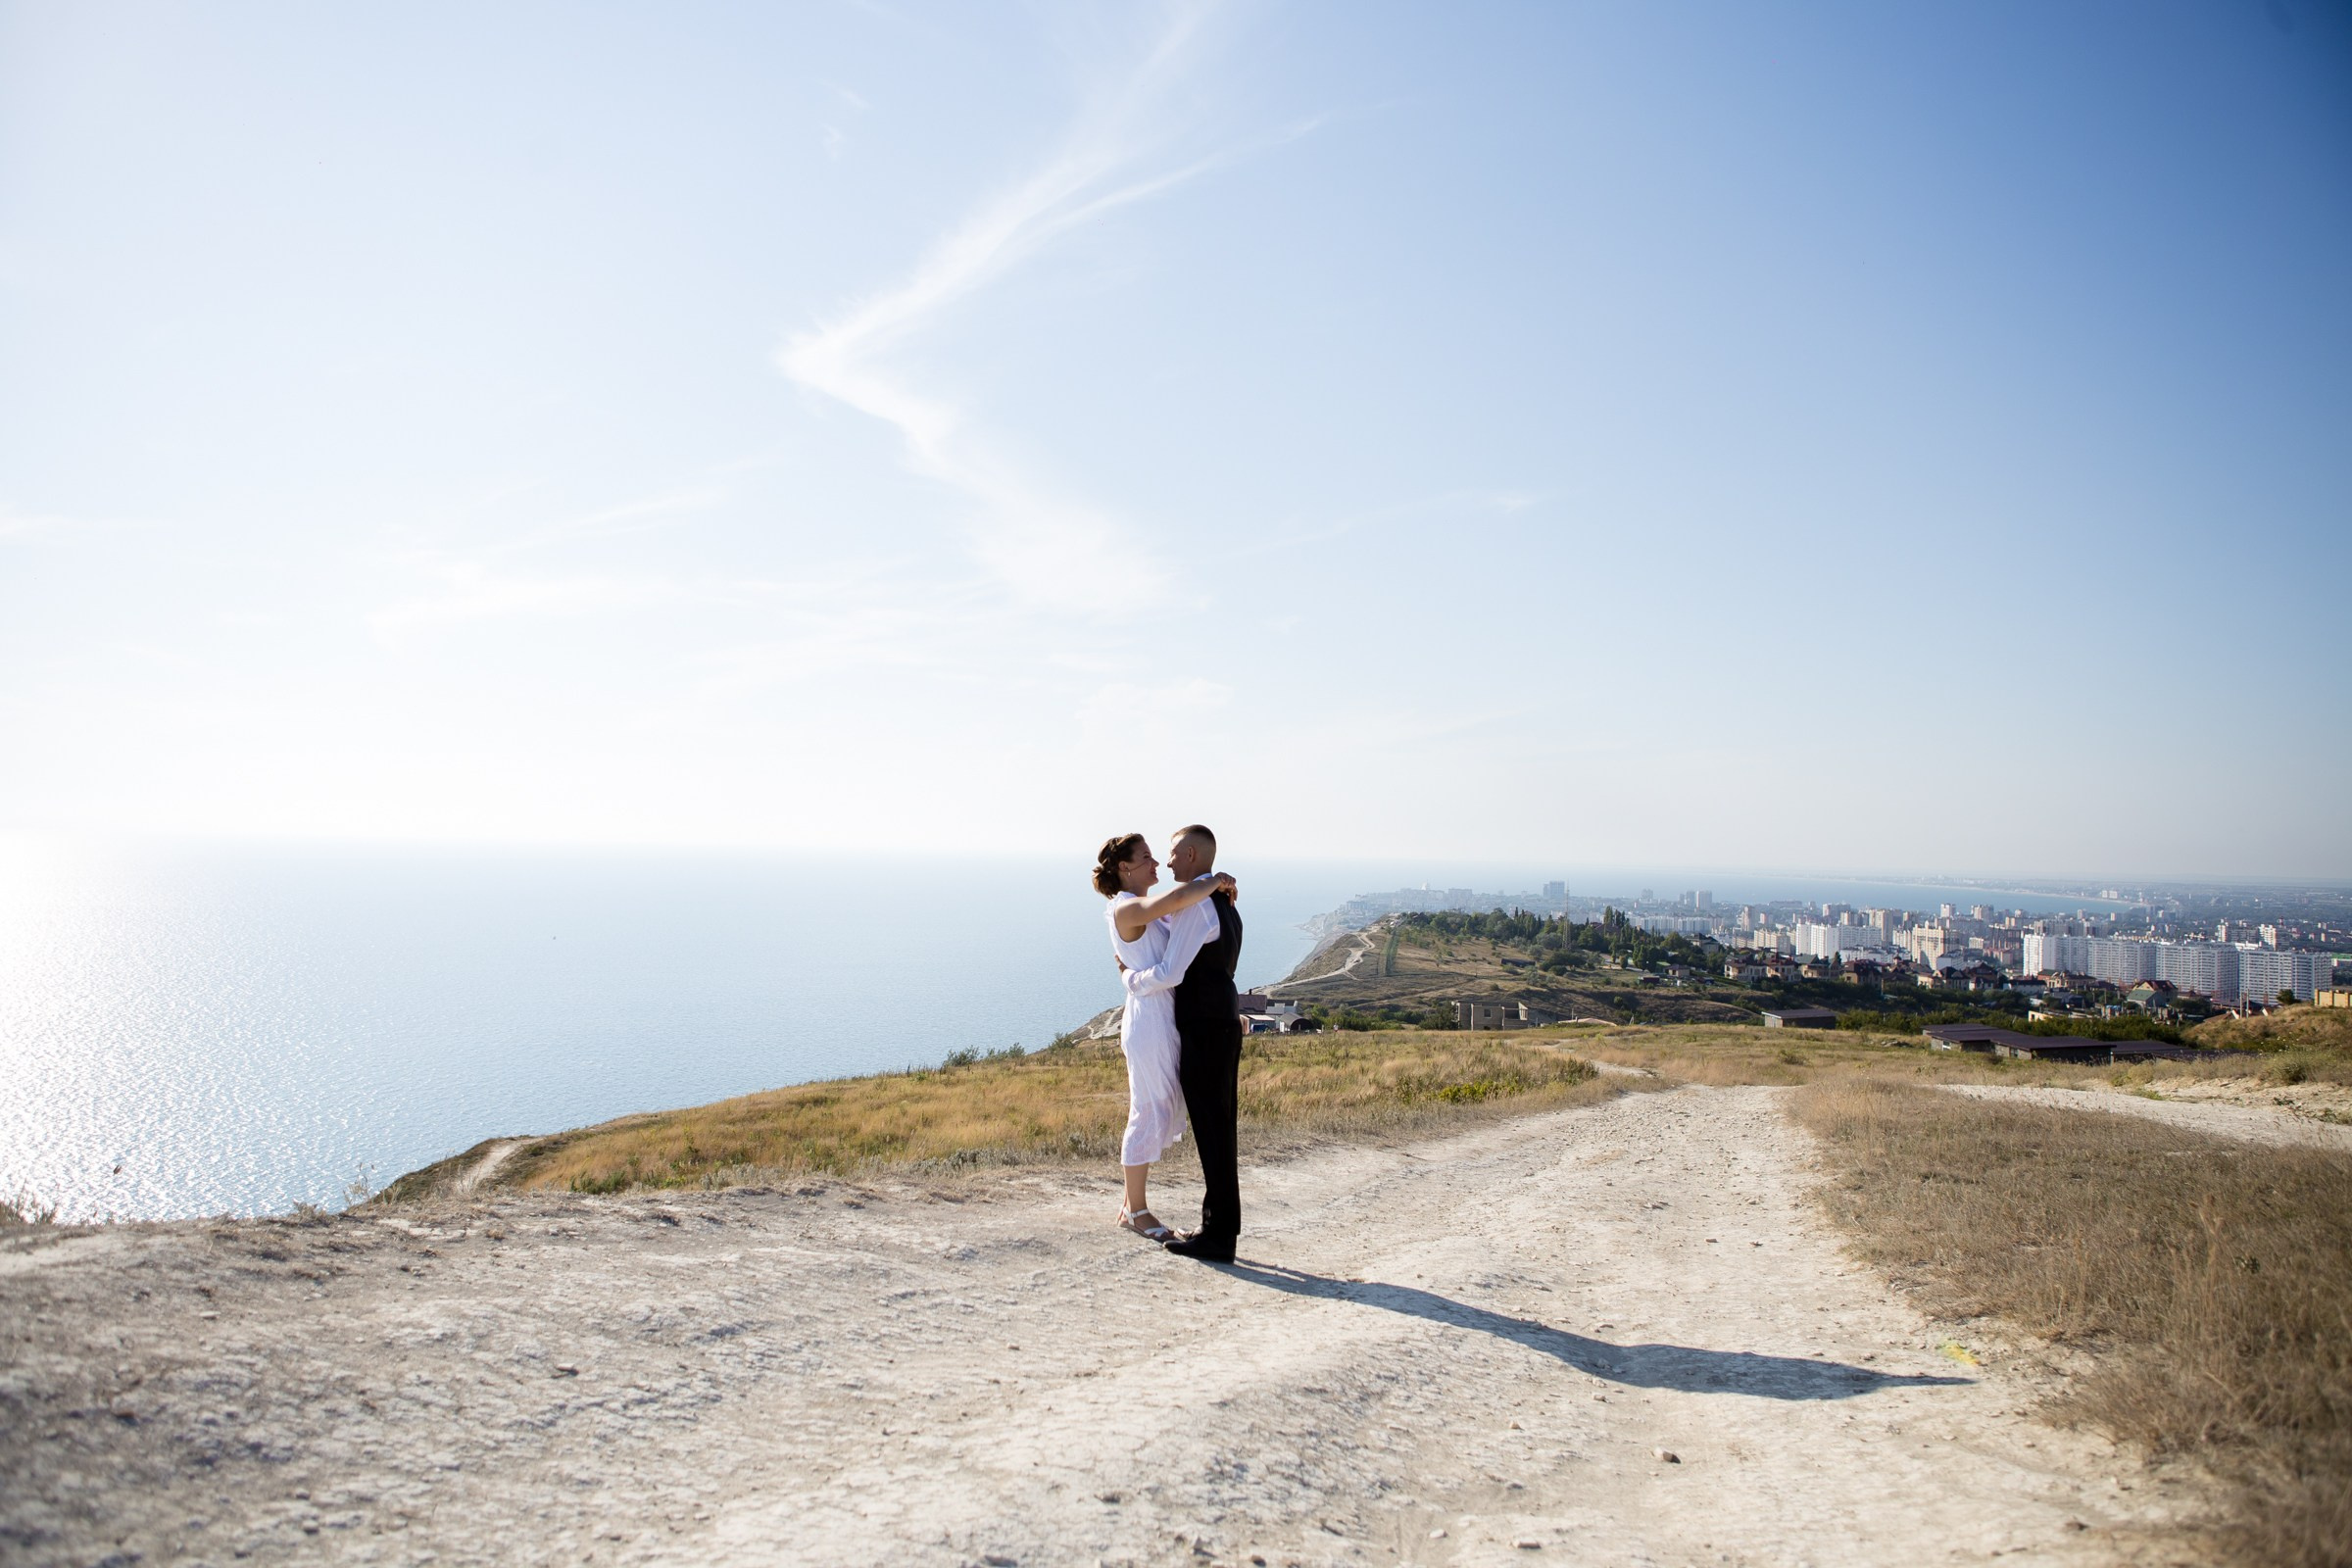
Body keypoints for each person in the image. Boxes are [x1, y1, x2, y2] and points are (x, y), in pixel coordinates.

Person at [1093, 832, 1235, 1244]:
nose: (1157, 865)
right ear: (1125, 868)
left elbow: (1184, 918)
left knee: (1157, 1106)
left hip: (1164, 1017)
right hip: (1150, 1021)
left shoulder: (1147, 912)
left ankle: (1130, 1205)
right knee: (1146, 1110)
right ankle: (1135, 1210)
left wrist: (1215, 887)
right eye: (1147, 858)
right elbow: (1176, 902)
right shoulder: (1127, 908)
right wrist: (1215, 878)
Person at [1156, 824, 1244, 1262]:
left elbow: (1172, 971)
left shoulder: (1197, 906)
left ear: (1191, 855)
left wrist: (1128, 976)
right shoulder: (1225, 904)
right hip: (1224, 1022)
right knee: (1220, 1129)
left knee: (1212, 1130)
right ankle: (1220, 1229)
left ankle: (1217, 1238)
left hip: (1205, 1027)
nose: (1167, 861)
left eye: (1173, 853)